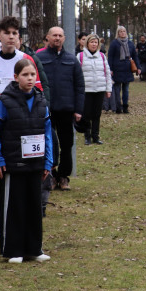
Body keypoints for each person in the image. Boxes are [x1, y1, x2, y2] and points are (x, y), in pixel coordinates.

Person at [0, 16, 48, 240]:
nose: (11, 37)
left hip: (25, 130)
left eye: (15, 33)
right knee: (0, 177)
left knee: (25, 175)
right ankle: (0, 223)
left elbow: (40, 95)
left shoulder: (26, 60)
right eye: (7, 33)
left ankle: (25, 220)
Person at [0, 58, 53, 263]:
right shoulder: (6, 101)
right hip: (13, 163)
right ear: (16, 78)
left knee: (35, 206)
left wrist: (48, 161)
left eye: (32, 74)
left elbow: (48, 133)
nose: (30, 78)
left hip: (36, 163)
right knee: (15, 206)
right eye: (25, 75)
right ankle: (13, 249)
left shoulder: (42, 101)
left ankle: (34, 248)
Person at [36, 26, 85, 191]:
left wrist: (78, 110)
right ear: (48, 37)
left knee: (66, 143)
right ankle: (49, 175)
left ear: (64, 38)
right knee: (48, 144)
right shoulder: (38, 58)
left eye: (60, 35)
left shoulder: (72, 60)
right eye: (54, 35)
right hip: (45, 109)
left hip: (66, 109)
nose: (57, 38)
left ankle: (63, 176)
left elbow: (79, 86)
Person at [78, 34, 111, 145]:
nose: (94, 44)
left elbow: (107, 73)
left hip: (100, 89)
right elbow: (77, 74)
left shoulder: (102, 56)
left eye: (96, 42)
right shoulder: (80, 56)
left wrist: (108, 89)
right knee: (86, 114)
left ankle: (95, 136)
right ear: (87, 43)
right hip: (87, 90)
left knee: (97, 114)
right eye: (92, 42)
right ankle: (87, 136)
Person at [107, 26, 138, 115]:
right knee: (117, 89)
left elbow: (135, 56)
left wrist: (138, 67)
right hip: (117, 69)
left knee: (126, 89)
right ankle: (118, 107)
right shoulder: (114, 43)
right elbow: (110, 57)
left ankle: (125, 106)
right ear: (118, 33)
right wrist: (110, 69)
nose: (123, 33)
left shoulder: (130, 43)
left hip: (127, 68)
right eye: (121, 31)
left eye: (124, 31)